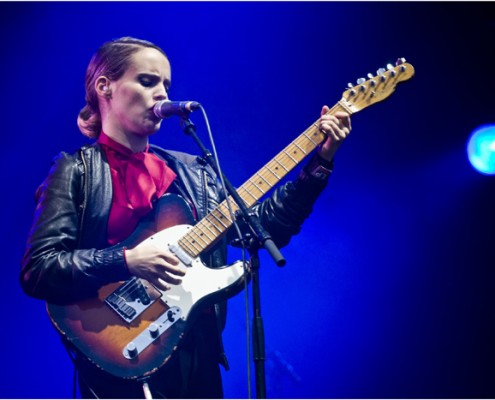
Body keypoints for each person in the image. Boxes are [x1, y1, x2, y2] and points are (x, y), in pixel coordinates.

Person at [20, 37, 351, 399]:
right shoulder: (76, 171)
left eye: (166, 84)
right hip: (119, 358)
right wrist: (127, 261)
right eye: (148, 81)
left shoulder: (193, 170)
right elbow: (39, 268)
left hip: (196, 355)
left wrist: (320, 162)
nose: (162, 93)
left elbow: (263, 228)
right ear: (105, 87)